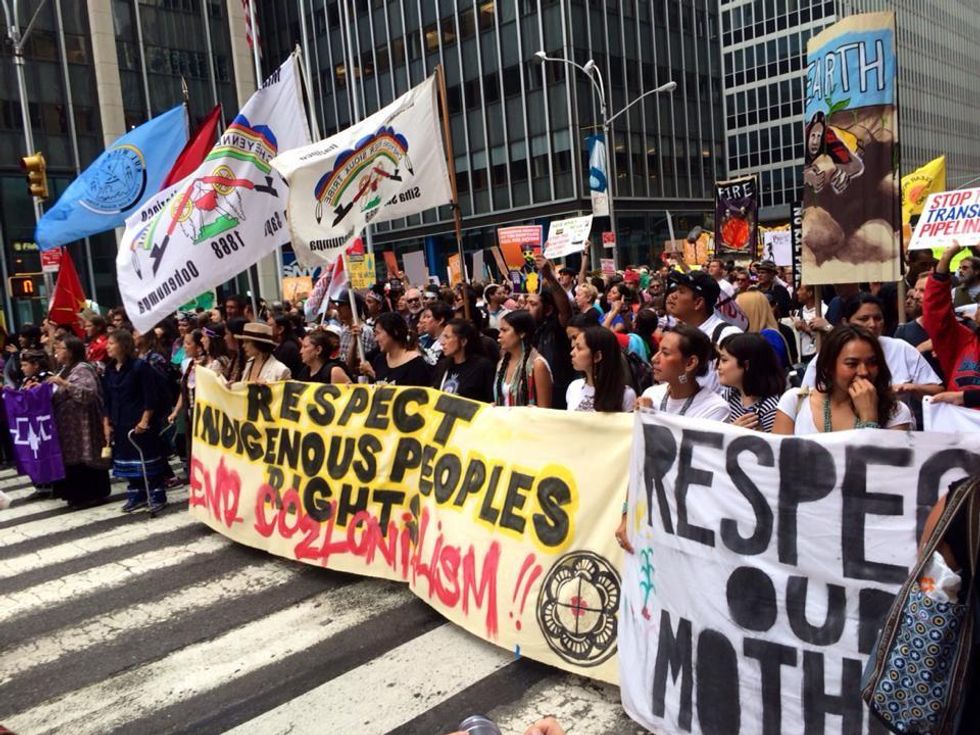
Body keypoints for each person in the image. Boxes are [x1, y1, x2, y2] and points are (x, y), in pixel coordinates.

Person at [801, 294, 942, 409]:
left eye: (878, 318)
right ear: (846, 322)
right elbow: (806, 398)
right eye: (864, 319)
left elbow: (938, 391)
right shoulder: (827, 356)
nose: (872, 324)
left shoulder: (901, 349)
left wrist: (911, 388)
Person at [773, 325, 912, 434]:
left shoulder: (895, 412)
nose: (864, 372)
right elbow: (778, 459)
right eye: (852, 364)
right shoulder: (795, 401)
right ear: (829, 366)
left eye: (872, 362)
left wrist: (869, 419)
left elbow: (882, 463)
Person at [102, 329, 170, 513]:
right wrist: (106, 424)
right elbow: (107, 399)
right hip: (119, 422)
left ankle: (157, 494)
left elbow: (150, 396)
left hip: (139, 422)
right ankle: (137, 494)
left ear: (123, 345)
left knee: (147, 459)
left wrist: (145, 420)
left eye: (111, 343)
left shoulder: (140, 367)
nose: (107, 347)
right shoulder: (109, 370)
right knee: (127, 460)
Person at [46, 336, 112, 509]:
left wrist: (64, 383)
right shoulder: (63, 369)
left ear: (70, 351)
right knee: (72, 461)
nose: (57, 352)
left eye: (60, 348)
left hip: (83, 424)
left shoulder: (82, 369)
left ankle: (91, 495)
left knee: (86, 459)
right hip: (67, 426)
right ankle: (76, 495)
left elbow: (88, 393)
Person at [665, 270, 742, 393]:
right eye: (675, 290)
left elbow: (736, 391)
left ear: (698, 302)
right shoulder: (677, 333)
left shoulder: (727, 336)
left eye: (681, 292)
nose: (673, 295)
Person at [924, 243, 980, 408]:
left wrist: (965, 397)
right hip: (959, 423)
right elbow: (936, 315)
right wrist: (945, 260)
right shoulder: (962, 343)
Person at [636, 325, 730, 420]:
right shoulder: (651, 395)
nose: (654, 359)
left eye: (665, 353)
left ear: (690, 363)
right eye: (658, 350)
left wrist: (649, 418)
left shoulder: (714, 408)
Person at [528, 257, 574, 408]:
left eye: (533, 304)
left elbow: (565, 310)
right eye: (526, 303)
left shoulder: (557, 329)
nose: (526, 308)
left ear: (548, 309)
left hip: (558, 398)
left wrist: (549, 276)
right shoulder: (529, 330)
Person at [717, 333, 785, 432]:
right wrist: (731, 430)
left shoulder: (771, 409)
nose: (718, 366)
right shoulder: (729, 395)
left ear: (746, 365)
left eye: (724, 360)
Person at [566, 326, 636, 412]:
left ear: (597, 356)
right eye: (574, 348)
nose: (572, 353)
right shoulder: (574, 387)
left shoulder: (626, 395)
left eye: (579, 348)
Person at [494, 310, 553, 407]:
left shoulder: (538, 365)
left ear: (521, 333)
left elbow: (544, 409)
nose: (500, 335)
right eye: (500, 330)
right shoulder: (501, 363)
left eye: (505, 330)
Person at [359, 311, 431, 386]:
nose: (376, 339)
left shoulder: (416, 363)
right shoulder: (379, 360)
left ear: (394, 332)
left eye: (378, 333)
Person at [893, 273, 943, 381]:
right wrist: (920, 349)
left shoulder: (960, 329)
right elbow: (898, 370)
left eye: (922, 291)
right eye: (916, 290)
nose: (915, 296)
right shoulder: (904, 332)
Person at [431, 319, 495, 402]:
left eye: (447, 337)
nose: (442, 343)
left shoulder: (482, 367)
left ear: (463, 341)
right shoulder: (442, 366)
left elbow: (491, 400)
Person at [736, 290, 793, 369]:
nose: (736, 315)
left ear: (750, 311)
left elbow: (769, 371)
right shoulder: (756, 336)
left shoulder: (770, 337)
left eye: (738, 310)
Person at [417, 301, 453, 366]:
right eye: (424, 317)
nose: (423, 321)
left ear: (440, 320)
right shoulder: (421, 340)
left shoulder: (447, 344)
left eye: (428, 317)